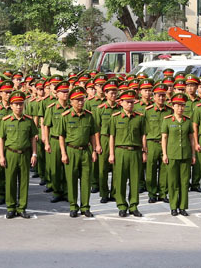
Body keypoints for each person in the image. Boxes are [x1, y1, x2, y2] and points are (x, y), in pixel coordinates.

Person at [59, 87, 99, 218]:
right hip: (71, 150)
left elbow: (93, 134)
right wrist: (63, 153)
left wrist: (94, 150)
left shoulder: (89, 116)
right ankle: (73, 206)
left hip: (85, 151)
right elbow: (61, 136)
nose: (80, 103)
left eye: (82, 100)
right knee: (71, 180)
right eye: (77, 100)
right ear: (71, 102)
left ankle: (85, 206)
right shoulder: (65, 116)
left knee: (86, 179)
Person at [0, 91, 38, 219]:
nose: (19, 107)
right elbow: (1, 139)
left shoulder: (28, 121)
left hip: (25, 154)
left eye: (21, 104)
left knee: (24, 182)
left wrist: (34, 154)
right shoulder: (5, 121)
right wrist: (1, 156)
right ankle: (10, 207)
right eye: (16, 104)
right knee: (10, 181)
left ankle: (22, 208)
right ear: (11, 106)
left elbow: (33, 138)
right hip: (11, 153)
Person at [108, 89, 147, 217]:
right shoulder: (115, 118)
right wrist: (111, 154)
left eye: (132, 102)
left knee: (135, 180)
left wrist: (144, 151)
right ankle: (122, 205)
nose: (130, 105)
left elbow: (143, 136)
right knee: (120, 180)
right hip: (120, 151)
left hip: (135, 151)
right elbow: (112, 137)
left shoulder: (139, 118)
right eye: (127, 102)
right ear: (121, 103)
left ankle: (134, 206)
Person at [161, 93, 196, 216]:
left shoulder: (187, 121)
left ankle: (183, 207)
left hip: (185, 155)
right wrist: (164, 154)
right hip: (172, 154)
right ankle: (173, 206)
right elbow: (164, 138)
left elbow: (191, 139)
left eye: (182, 106)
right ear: (173, 106)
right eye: (178, 105)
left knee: (184, 182)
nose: (180, 108)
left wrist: (193, 154)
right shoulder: (167, 121)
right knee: (173, 182)